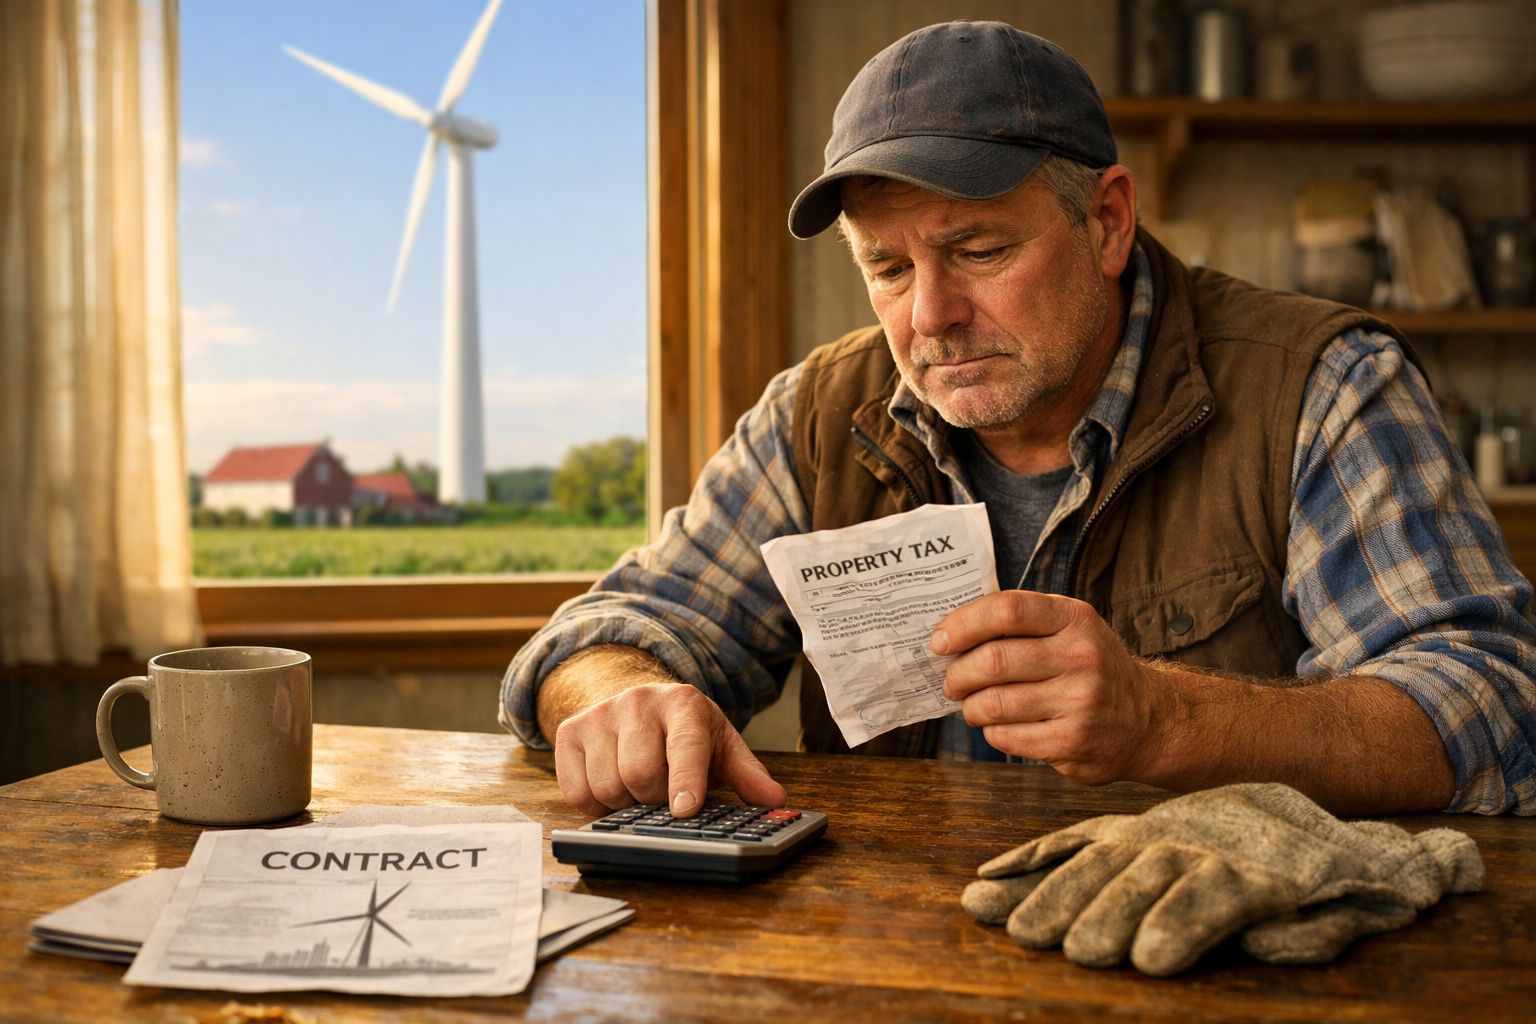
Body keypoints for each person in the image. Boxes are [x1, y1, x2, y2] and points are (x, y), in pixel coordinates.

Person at [500, 21, 1536, 819]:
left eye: (981, 251)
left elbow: (1493, 701)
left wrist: (1166, 719)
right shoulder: (820, 416)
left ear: (1108, 221)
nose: (931, 316)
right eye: (888, 269)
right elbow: (600, 637)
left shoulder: (1319, 387)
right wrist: (619, 692)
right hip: (896, 961)